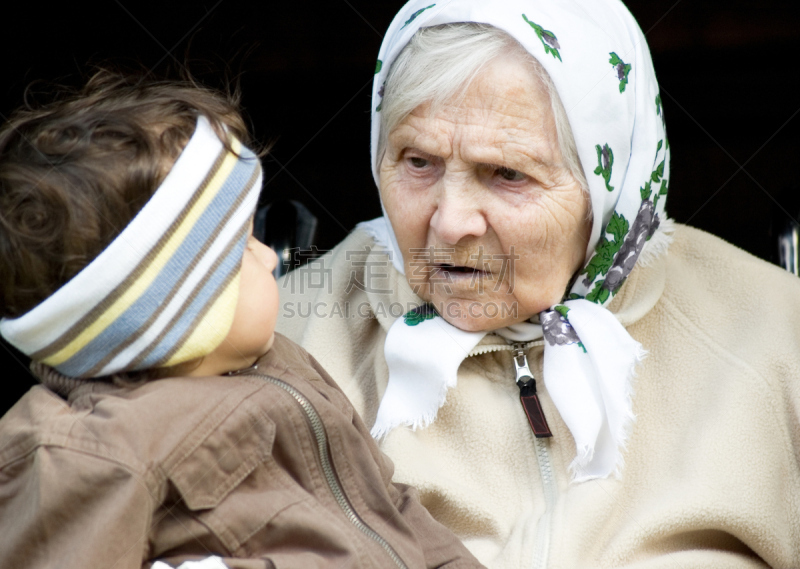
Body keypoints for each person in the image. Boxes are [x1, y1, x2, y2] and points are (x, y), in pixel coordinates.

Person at [277, 0, 800, 567]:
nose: (451, 222)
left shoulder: (776, 337)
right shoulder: (281, 343)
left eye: (507, 173)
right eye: (419, 161)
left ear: (608, 187)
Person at [0, 71, 485, 569]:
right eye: (243, 247)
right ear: (173, 308)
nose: (271, 258)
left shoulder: (282, 362)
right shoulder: (86, 450)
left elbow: (385, 504)